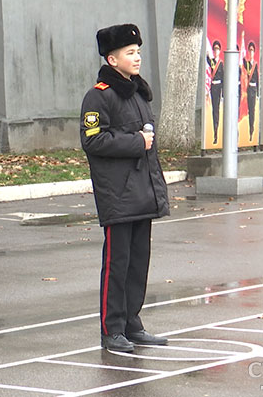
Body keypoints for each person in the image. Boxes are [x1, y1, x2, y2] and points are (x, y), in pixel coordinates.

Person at [80, 24, 170, 353]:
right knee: (117, 264)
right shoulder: (100, 95)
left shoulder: (138, 93)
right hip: (118, 195)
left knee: (138, 262)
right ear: (112, 59)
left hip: (142, 192)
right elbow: (93, 139)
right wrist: (136, 142)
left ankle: (133, 322)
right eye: (130, 53)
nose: (138, 57)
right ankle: (112, 328)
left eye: (138, 52)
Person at [207, 40, 223, 145]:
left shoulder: (221, 64)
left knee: (217, 110)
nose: (216, 51)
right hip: (212, 88)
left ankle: (217, 133)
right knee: (214, 111)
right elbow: (207, 58)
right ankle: (215, 132)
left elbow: (224, 78)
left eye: (217, 49)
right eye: (214, 49)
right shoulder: (212, 62)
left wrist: (223, 94)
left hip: (219, 88)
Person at [243, 41, 259, 142]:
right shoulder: (247, 64)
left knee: (252, 110)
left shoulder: (255, 65)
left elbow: (257, 78)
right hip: (248, 90)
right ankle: (249, 130)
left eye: (252, 51)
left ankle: (251, 130)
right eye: (250, 51)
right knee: (249, 110)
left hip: (254, 89)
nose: (251, 53)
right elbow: (243, 61)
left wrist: (258, 93)